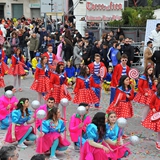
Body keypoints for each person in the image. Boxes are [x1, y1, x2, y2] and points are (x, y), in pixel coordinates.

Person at [141, 83, 160, 150]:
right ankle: (158, 142)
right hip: (157, 114)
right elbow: (151, 103)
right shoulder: (155, 95)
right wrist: (153, 108)